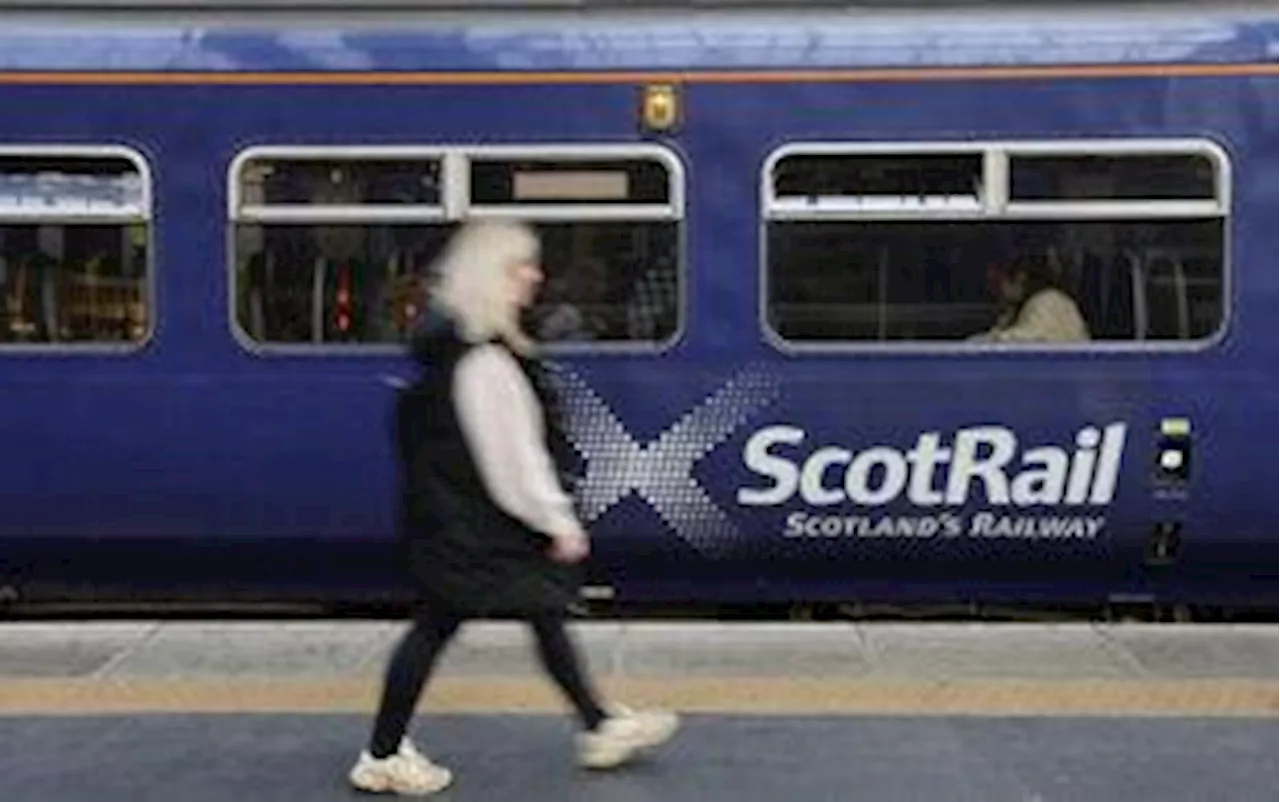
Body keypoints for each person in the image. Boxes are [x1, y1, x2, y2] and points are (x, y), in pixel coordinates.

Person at [348, 219, 679, 796]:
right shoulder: (486, 363)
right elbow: (513, 461)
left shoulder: (465, 351)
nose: (535, 275)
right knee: (446, 624)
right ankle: (381, 752)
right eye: (520, 265)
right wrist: (558, 521)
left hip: (459, 524)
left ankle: (598, 723)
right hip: (474, 527)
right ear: (489, 276)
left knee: (539, 611)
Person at [968, 250, 1090, 343]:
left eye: (997, 283)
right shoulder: (1017, 311)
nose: (996, 293)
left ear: (1021, 276)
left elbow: (1028, 342)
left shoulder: (1050, 303)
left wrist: (987, 342)